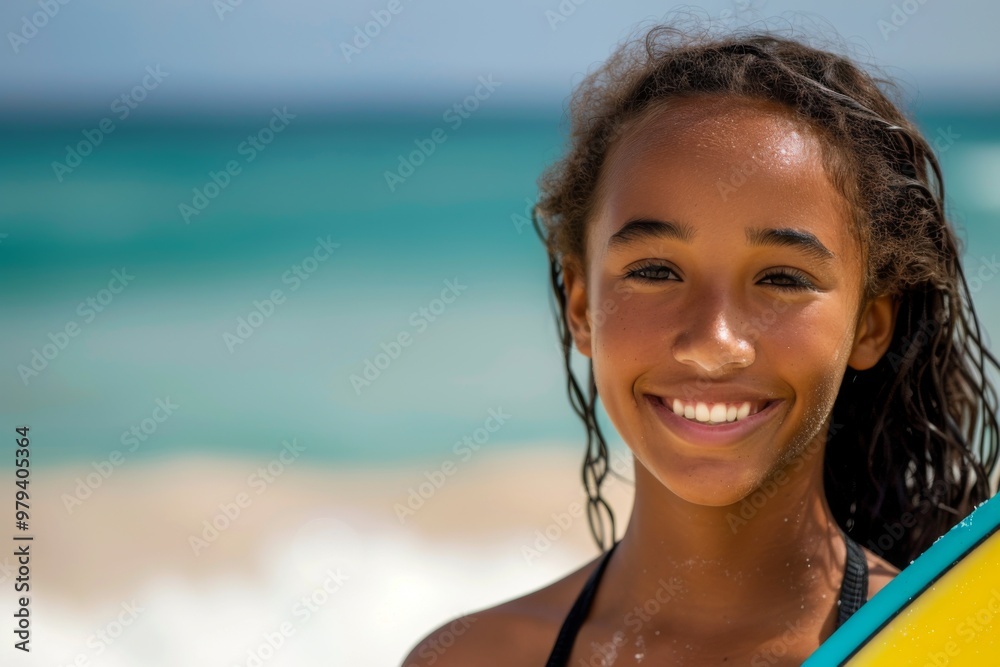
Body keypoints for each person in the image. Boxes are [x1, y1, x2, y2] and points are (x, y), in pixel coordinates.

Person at [402, 17, 999, 666]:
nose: (714, 341)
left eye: (781, 278)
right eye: (655, 271)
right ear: (581, 305)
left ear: (870, 323)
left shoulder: (952, 648)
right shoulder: (472, 657)